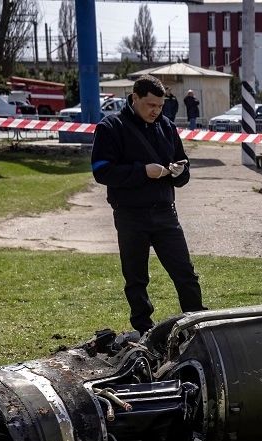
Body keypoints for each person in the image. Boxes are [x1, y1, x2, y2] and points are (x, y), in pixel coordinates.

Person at [91, 75, 206, 335]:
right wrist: (142, 171)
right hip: (130, 214)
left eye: (160, 106)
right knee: (136, 279)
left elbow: (183, 165)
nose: (155, 111)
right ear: (135, 99)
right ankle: (144, 329)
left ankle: (196, 322)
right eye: (150, 105)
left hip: (165, 212)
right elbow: (102, 171)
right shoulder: (111, 127)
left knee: (185, 273)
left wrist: (179, 172)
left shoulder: (166, 126)